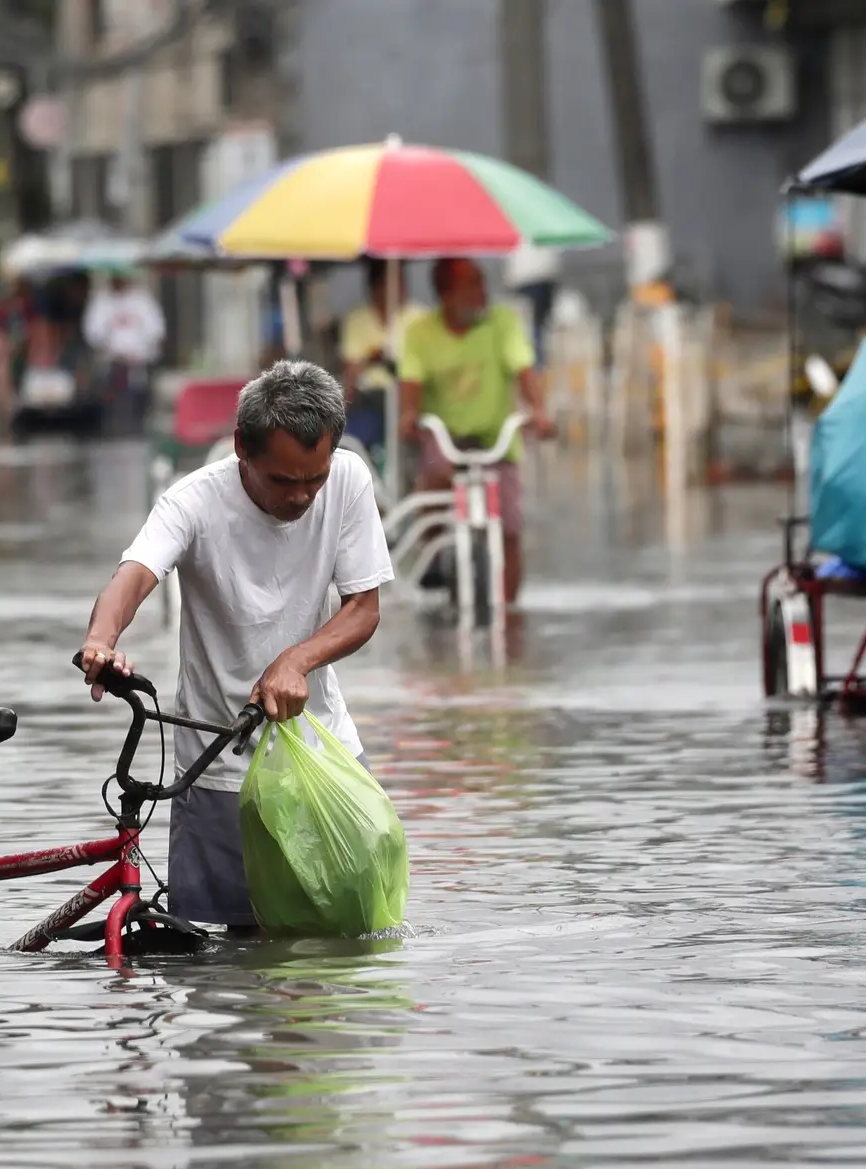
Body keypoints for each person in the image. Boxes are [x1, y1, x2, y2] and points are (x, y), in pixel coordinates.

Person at [77, 361, 394, 933]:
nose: (301, 496)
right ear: (241, 448)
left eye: (312, 480)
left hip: (322, 750)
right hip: (217, 760)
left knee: (355, 933)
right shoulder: (192, 502)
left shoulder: (348, 479)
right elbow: (133, 576)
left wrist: (296, 659)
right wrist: (102, 643)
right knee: (229, 965)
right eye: (283, 481)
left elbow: (363, 609)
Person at [397, 257, 554, 602]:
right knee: (434, 478)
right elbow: (410, 382)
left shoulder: (503, 323)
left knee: (510, 528)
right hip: (447, 438)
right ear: (445, 294)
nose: (481, 293)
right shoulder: (421, 332)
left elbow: (524, 369)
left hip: (495, 440)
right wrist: (408, 414)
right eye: (470, 285)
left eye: (481, 282)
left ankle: (510, 613)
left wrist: (539, 411)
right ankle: (435, 557)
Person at [339, 257, 422, 448]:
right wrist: (372, 358)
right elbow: (350, 368)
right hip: (370, 399)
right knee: (353, 436)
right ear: (376, 288)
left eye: (402, 281)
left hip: (408, 398)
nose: (401, 288)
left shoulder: (419, 318)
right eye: (394, 282)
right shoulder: (357, 320)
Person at [82, 271, 165, 436]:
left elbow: (156, 330)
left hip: (140, 361)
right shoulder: (102, 301)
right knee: (111, 401)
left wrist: (139, 351)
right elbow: (93, 332)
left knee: (139, 399)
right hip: (112, 362)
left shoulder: (142, 299)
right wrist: (112, 349)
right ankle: (111, 431)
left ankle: (138, 429)